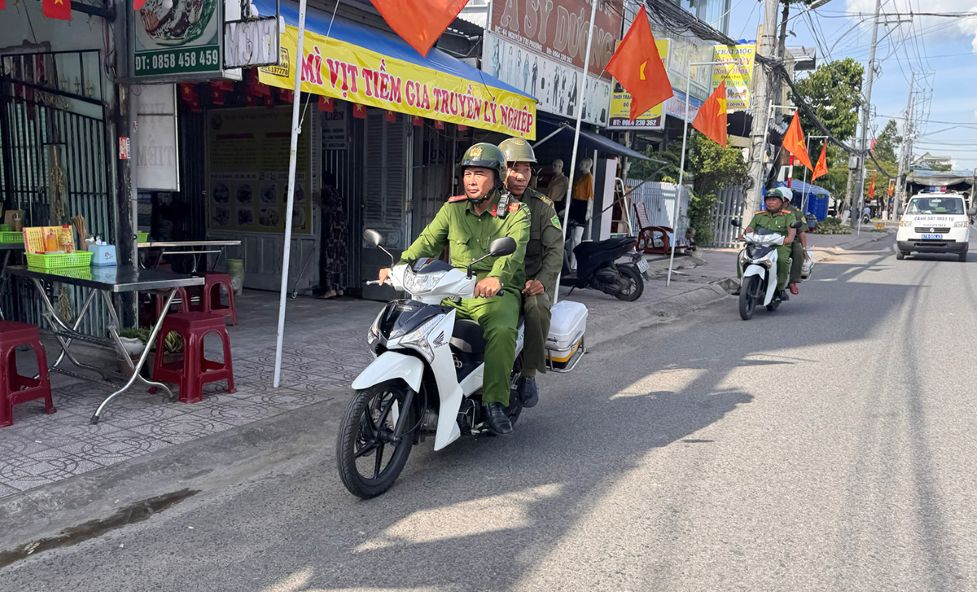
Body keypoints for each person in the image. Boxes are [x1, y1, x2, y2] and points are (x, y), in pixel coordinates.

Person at [377, 143, 529, 436]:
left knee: (500, 331)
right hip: (454, 289)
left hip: (495, 293)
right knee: (420, 324)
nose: (471, 180)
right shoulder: (453, 208)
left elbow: (514, 250)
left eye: (480, 174)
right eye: (468, 173)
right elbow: (428, 240)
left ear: (497, 178)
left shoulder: (515, 212)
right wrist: (400, 264)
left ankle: (494, 402)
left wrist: (495, 278)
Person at [499, 137, 564, 409]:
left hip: (528, 282)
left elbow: (555, 251)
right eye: (514, 168)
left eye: (526, 170)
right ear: (500, 170)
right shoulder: (484, 202)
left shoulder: (542, 206)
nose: (520, 176)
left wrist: (542, 282)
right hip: (492, 278)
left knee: (537, 308)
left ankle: (528, 374)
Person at [740, 187, 797, 300]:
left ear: (781, 202)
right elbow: (751, 227)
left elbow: (792, 228)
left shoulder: (788, 215)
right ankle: (741, 283)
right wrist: (744, 234)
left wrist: (789, 237)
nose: (770, 202)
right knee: (742, 256)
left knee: (782, 260)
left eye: (774, 200)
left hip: (778, 245)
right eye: (768, 200)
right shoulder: (759, 215)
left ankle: (780, 288)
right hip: (759, 243)